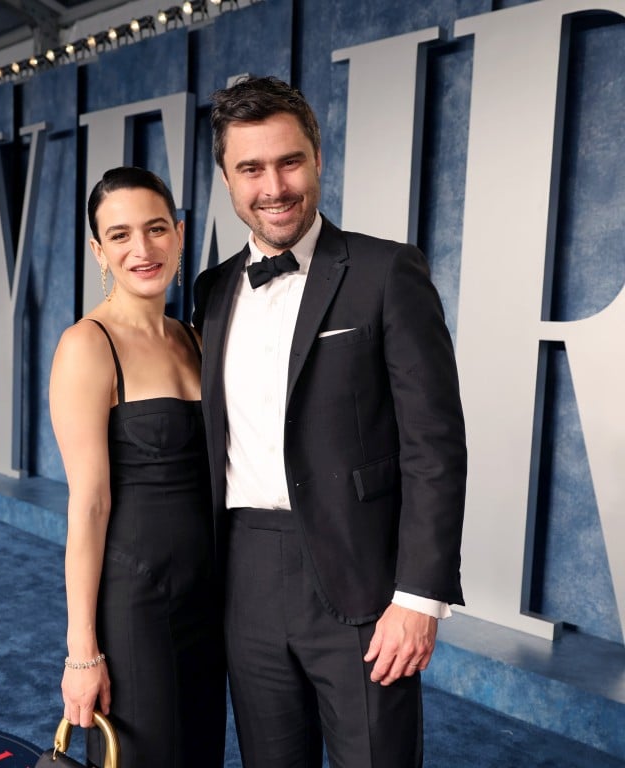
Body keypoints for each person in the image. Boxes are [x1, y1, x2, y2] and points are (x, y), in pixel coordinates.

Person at [192, 75, 467, 768]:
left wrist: (419, 598)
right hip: (244, 576)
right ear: (226, 178)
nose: (273, 187)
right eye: (250, 168)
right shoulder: (213, 290)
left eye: (289, 162)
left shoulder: (386, 271)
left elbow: (433, 445)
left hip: (362, 584)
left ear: (318, 158)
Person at [49, 166, 226, 768]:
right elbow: (88, 506)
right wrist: (81, 652)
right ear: (99, 250)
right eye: (119, 235)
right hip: (136, 599)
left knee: (199, 749)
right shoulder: (86, 345)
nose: (142, 249)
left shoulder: (198, 338)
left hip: (209, 592)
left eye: (155, 229)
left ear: (178, 234)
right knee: (147, 756)